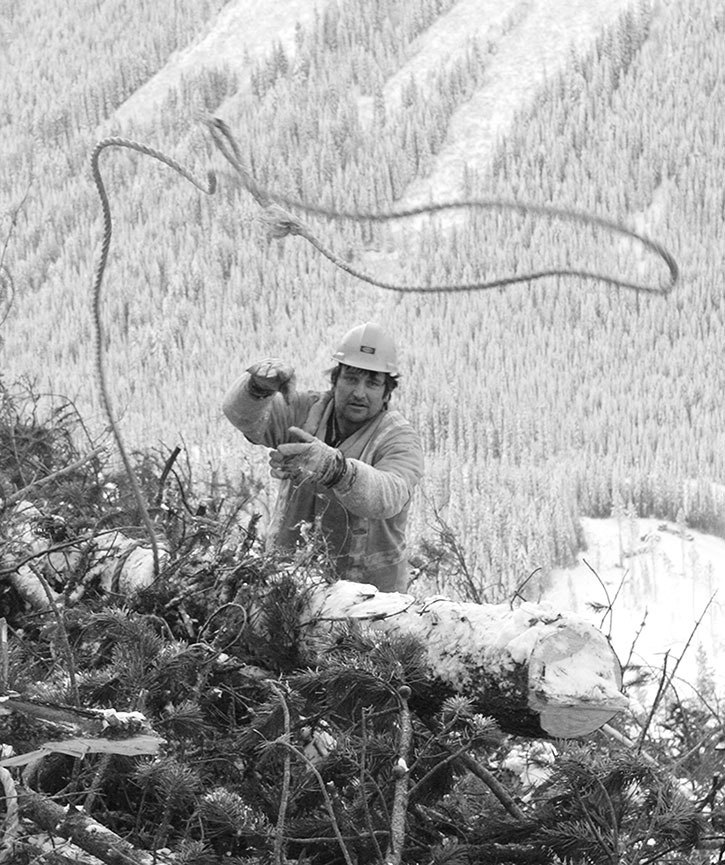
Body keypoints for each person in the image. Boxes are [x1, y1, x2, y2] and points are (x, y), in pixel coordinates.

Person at [222, 322, 424, 592]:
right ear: (335, 380)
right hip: (289, 583)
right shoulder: (307, 409)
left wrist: (336, 471)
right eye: (351, 378)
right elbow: (243, 417)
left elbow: (389, 496)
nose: (359, 392)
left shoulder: (399, 438)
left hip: (370, 600)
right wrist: (257, 387)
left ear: (387, 392)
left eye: (372, 383)